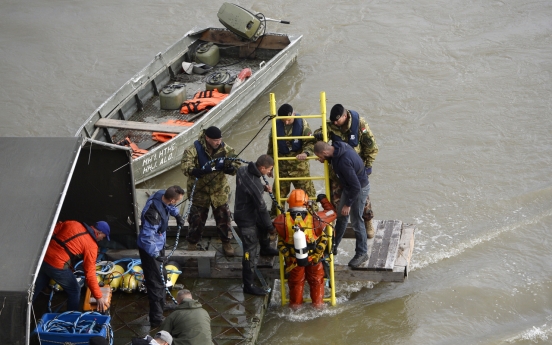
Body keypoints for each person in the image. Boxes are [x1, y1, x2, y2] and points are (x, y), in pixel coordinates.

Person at [313, 104, 378, 238]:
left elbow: (371, 147)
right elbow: (319, 138)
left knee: (362, 199)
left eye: (337, 120)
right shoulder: (331, 125)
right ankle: (335, 226)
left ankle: (368, 221)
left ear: (345, 116)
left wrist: (368, 166)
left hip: (355, 170)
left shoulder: (360, 124)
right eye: (333, 121)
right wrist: (318, 135)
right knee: (336, 201)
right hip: (337, 171)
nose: (335, 123)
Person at [273, 189, 337, 309]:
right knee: (317, 281)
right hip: (314, 259)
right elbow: (332, 213)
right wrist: (323, 199)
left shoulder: (280, 220)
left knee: (296, 283)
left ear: (289, 203)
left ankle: (295, 307)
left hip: (294, 261)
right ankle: (318, 305)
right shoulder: (316, 218)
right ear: (306, 203)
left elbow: (272, 228)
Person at [181, 126, 239, 256]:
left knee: (224, 218)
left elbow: (237, 162)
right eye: (215, 140)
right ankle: (192, 243)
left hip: (219, 191)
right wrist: (195, 170)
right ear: (207, 138)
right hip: (200, 192)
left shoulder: (225, 149)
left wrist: (231, 168)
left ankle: (226, 242)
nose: (218, 142)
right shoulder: (193, 149)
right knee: (196, 220)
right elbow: (185, 165)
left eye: (219, 139)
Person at [33, 220, 111, 312]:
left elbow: (51, 231)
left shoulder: (73, 223)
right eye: (103, 237)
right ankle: (71, 318)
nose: (102, 239)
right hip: (57, 265)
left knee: (38, 285)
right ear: (99, 233)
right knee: (75, 290)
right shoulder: (91, 246)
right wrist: (98, 296)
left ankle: (23, 308)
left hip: (42, 257)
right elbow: (90, 273)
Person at [313, 141, 370, 268]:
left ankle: (362, 253)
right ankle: (334, 246)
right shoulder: (337, 148)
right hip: (349, 187)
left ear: (324, 152)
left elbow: (356, 186)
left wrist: (348, 205)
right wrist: (326, 160)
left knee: (356, 220)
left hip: (358, 188)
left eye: (319, 156)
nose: (319, 159)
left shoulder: (344, 161)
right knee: (341, 217)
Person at [137, 186, 185, 328]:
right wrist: (156, 255)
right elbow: (146, 237)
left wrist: (177, 215)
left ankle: (162, 304)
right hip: (150, 249)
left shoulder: (162, 195)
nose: (175, 204)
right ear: (171, 199)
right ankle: (156, 319)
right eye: (176, 202)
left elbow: (170, 207)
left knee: (162, 274)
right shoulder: (153, 214)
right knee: (156, 283)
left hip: (159, 244)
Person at [234, 154, 279, 295]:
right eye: (269, 169)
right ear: (262, 167)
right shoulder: (255, 186)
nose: (270, 172)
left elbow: (251, 187)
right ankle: (248, 285)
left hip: (245, 208)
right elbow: (262, 208)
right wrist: (271, 228)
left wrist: (263, 188)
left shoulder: (242, 170)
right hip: (246, 219)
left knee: (262, 225)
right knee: (250, 252)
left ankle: (265, 248)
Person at [267, 103, 317, 216]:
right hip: (282, 167)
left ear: (293, 114)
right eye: (284, 120)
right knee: (278, 196)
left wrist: (306, 153)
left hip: (299, 167)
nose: (286, 122)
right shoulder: (276, 125)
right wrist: (270, 166)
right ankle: (277, 222)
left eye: (288, 120)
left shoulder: (303, 124)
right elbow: (271, 147)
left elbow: (310, 142)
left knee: (308, 195)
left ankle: (314, 219)